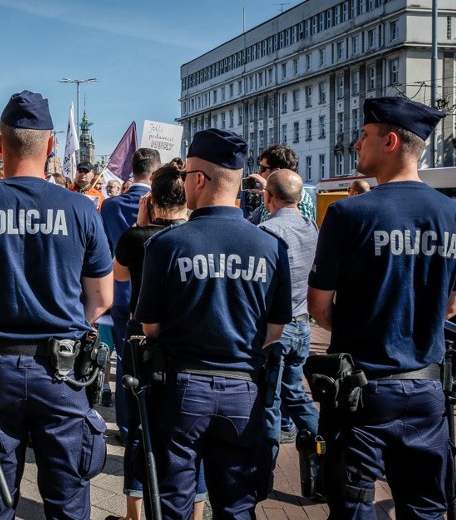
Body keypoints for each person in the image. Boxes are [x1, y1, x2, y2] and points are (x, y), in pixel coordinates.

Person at [0, 90, 114, 519]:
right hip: (63, 374)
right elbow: (101, 299)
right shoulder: (80, 208)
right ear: (51, 146)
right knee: (67, 502)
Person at [308, 97, 456, 518]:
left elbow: (319, 306)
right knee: (426, 508)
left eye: (364, 135)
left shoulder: (348, 214)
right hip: (427, 392)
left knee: (354, 508)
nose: (356, 145)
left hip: (362, 391)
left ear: (391, 141)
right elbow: (451, 308)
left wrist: (361, 326)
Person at [136, 128, 291, 519]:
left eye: (187, 175)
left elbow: (149, 328)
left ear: (200, 179)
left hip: (182, 390)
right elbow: (275, 331)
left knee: (172, 503)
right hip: (245, 391)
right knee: (237, 506)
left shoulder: (167, 244)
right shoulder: (271, 247)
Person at [108, 165, 191, 520]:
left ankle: (134, 512)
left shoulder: (137, 237)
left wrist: (141, 224)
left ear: (152, 199)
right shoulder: (192, 233)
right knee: (186, 432)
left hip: (141, 335)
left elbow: (120, 274)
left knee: (142, 425)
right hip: (184, 337)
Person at [257, 169, 320, 458]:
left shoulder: (267, 231)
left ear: (268, 197)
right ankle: (323, 442)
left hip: (277, 327)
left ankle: (265, 467)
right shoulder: (311, 226)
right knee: (294, 392)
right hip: (303, 325)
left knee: (270, 398)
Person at [99, 148, 161, 432]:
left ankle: (127, 427)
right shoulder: (163, 204)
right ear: (155, 171)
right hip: (158, 292)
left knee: (125, 362)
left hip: (123, 292)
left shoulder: (111, 206)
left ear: (131, 170)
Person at [247, 144, 315, 224]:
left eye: (262, 169)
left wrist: (267, 188)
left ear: (276, 172)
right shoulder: (271, 196)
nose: (259, 173)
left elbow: (295, 231)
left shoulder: (302, 202)